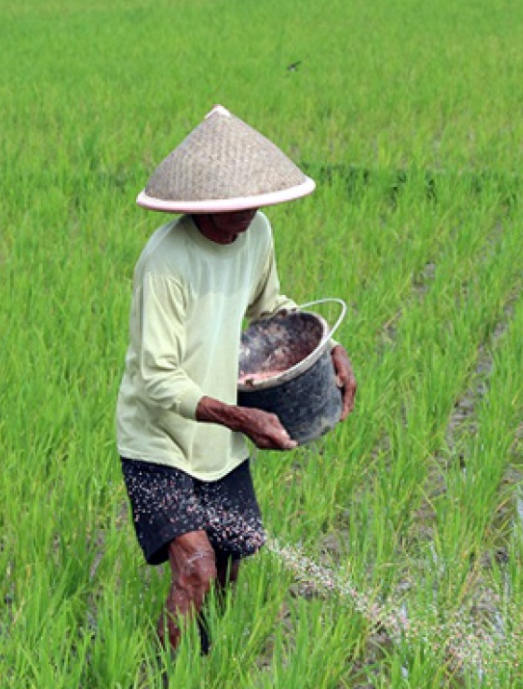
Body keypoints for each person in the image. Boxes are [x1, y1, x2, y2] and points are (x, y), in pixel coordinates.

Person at [115, 105, 356, 653]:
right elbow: (156, 379)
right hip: (157, 442)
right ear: (200, 205)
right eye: (231, 206)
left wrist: (330, 347)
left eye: (253, 202)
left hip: (220, 441)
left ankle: (207, 662)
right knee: (196, 570)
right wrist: (240, 416)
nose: (245, 214)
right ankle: (157, 676)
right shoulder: (166, 263)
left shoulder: (256, 232)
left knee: (228, 571)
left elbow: (271, 309)